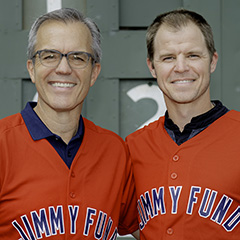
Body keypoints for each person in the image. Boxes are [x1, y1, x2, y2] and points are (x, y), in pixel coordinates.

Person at [0, 8, 139, 239]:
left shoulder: (114, 151)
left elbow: (153, 228)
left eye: (78, 57)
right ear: (32, 69)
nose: (64, 68)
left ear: (94, 73)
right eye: (49, 56)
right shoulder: (3, 145)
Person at [126, 9, 240, 239]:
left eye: (193, 55)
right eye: (168, 57)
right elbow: (135, 225)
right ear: (152, 66)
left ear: (212, 61)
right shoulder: (134, 146)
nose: (181, 67)